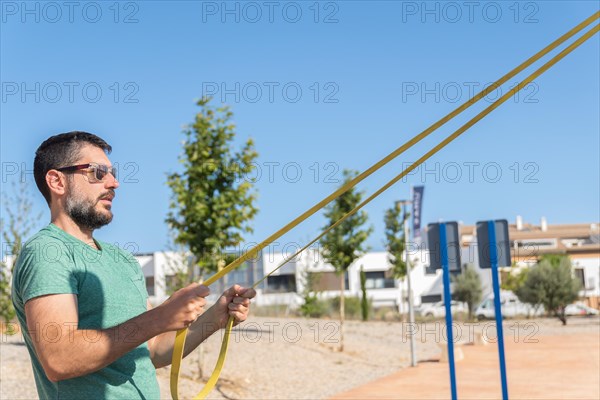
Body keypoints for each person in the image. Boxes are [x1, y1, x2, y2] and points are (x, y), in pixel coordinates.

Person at [11, 131, 256, 399]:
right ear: (57, 181)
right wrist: (160, 317)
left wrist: (214, 319)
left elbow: (152, 351)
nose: (114, 183)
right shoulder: (47, 252)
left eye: (113, 173)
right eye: (98, 173)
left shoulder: (124, 260)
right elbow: (60, 358)